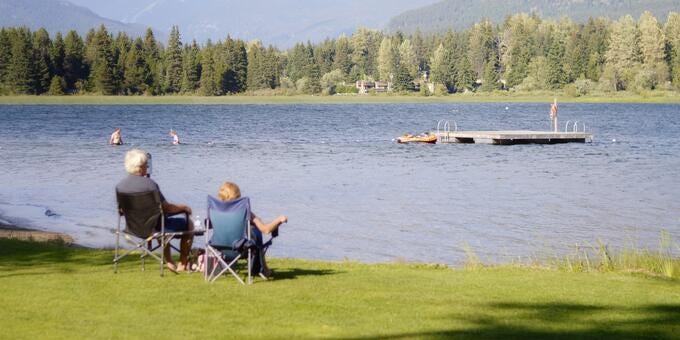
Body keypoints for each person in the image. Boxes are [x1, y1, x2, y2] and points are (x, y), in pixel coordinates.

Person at [116, 148, 194, 272]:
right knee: (188, 224)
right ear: (140, 167)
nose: (147, 167)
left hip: (132, 228)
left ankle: (169, 261)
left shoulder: (120, 186)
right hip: (154, 228)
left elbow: (121, 211)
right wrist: (184, 208)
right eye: (146, 165)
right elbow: (167, 208)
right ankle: (182, 263)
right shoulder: (150, 185)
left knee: (159, 222)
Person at [217, 181, 287, 278]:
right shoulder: (244, 212)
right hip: (241, 250)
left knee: (252, 230)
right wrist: (279, 219)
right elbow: (266, 230)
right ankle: (264, 270)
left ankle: (262, 269)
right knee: (256, 232)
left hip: (221, 248)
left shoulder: (217, 212)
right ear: (238, 197)